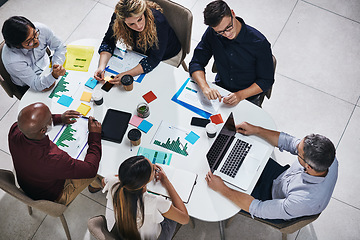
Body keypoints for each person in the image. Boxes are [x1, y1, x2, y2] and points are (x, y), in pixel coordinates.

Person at [206, 121, 338, 221]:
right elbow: (290, 142)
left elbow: (257, 208)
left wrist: (223, 189)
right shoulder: (328, 158)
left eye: (298, 152)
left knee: (215, 189)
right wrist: (256, 130)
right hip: (281, 178)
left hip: (272, 197)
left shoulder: (301, 201)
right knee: (238, 152)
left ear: (308, 167)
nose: (295, 147)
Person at [8, 102, 102, 206]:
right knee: (99, 171)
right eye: (50, 118)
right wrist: (94, 136)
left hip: (28, 184)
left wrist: (59, 118)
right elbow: (91, 169)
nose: (52, 117)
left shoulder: (14, 130)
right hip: (50, 196)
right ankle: (96, 185)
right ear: (43, 130)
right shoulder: (54, 158)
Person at [189, 0, 274, 107]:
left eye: (229, 27)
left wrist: (239, 95)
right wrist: (205, 87)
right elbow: (196, 63)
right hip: (221, 90)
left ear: (233, 13)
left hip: (248, 97)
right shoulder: (212, 33)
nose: (227, 34)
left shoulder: (259, 43)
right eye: (220, 32)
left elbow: (266, 81)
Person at [94, 0, 181, 85]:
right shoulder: (118, 18)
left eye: (140, 19)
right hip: (140, 50)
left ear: (144, 13)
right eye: (131, 24)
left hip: (166, 55)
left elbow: (154, 59)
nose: (139, 26)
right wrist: (101, 67)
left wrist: (127, 74)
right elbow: (108, 41)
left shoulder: (158, 21)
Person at [102, 155, 189, 240]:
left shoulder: (113, 183)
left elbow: (103, 181)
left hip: (127, 233)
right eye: (152, 169)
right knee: (172, 211)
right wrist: (166, 182)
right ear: (144, 183)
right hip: (155, 237)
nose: (155, 167)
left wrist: (129, 178)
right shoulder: (154, 201)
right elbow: (185, 219)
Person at [1, 16, 66, 93]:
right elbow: (37, 85)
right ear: (17, 46)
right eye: (29, 41)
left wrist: (56, 67)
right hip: (28, 84)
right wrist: (53, 76)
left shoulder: (40, 29)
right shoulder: (12, 60)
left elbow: (60, 46)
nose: (36, 41)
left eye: (35, 34)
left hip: (47, 67)